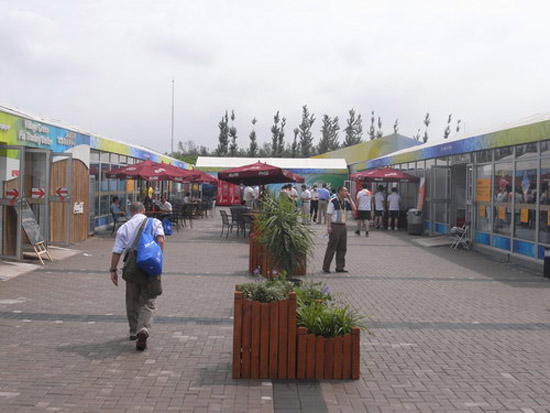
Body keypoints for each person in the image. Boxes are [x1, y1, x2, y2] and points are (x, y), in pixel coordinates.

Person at [110, 202, 165, 351]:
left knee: (132, 300)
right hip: (150, 266)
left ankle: (134, 331)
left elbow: (117, 251)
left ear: (131, 212)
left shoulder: (124, 227)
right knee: (149, 300)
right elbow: (160, 240)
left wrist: (113, 270)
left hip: (132, 266)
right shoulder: (154, 222)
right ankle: (143, 328)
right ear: (144, 210)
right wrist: (158, 259)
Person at [322, 186, 356, 273]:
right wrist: (328, 226)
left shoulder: (346, 202)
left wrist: (350, 198)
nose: (346, 193)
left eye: (347, 191)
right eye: (345, 191)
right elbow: (328, 214)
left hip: (343, 226)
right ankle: (326, 267)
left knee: (342, 247)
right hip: (335, 226)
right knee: (332, 247)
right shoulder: (333, 201)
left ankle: (340, 267)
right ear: (340, 192)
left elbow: (354, 209)